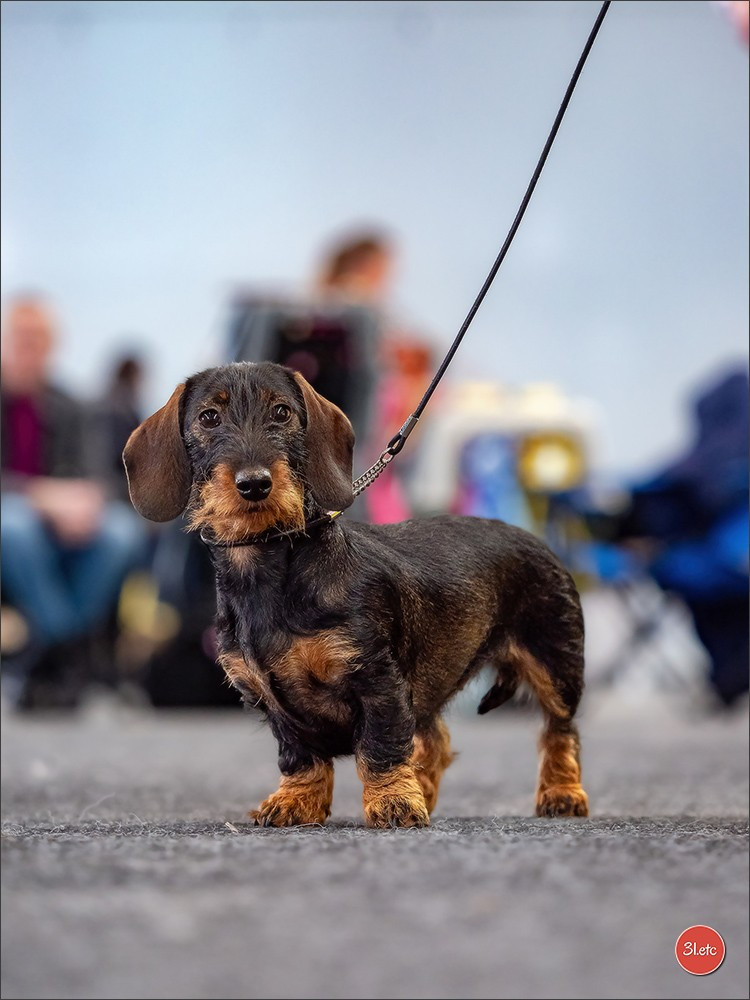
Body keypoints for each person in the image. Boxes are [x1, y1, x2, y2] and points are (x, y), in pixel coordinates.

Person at [0, 297, 145, 708]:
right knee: (13, 524)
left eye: (39, 338)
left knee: (122, 531)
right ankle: (68, 649)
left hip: (66, 525)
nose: (29, 346)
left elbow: (103, 476)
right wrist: (40, 496)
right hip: (18, 519)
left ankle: (47, 652)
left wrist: (88, 501)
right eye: (21, 337)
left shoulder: (73, 405)